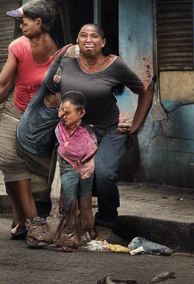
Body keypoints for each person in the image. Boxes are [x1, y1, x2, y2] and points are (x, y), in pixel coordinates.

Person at [0, 0, 62, 239]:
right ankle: (33, 223)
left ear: (39, 23)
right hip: (15, 114)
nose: (21, 25)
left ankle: (20, 220)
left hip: (43, 122)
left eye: (25, 21)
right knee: (10, 163)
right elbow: (3, 84)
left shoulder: (63, 55)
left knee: (38, 177)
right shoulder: (19, 47)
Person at [49, 23, 151, 232]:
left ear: (103, 42)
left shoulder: (115, 65)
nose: (88, 40)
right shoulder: (67, 64)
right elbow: (51, 92)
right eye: (83, 35)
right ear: (77, 41)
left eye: (94, 36)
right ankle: (74, 221)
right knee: (74, 176)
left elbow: (145, 91)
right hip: (77, 133)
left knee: (103, 172)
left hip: (110, 131)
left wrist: (135, 126)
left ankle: (107, 220)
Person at [53, 91, 96, 249]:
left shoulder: (87, 132)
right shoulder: (60, 131)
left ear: (81, 113)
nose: (63, 116)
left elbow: (91, 150)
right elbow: (65, 149)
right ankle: (69, 235)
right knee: (69, 199)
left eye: (67, 112)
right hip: (68, 167)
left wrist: (87, 165)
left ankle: (87, 230)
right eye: (61, 112)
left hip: (86, 168)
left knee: (86, 201)